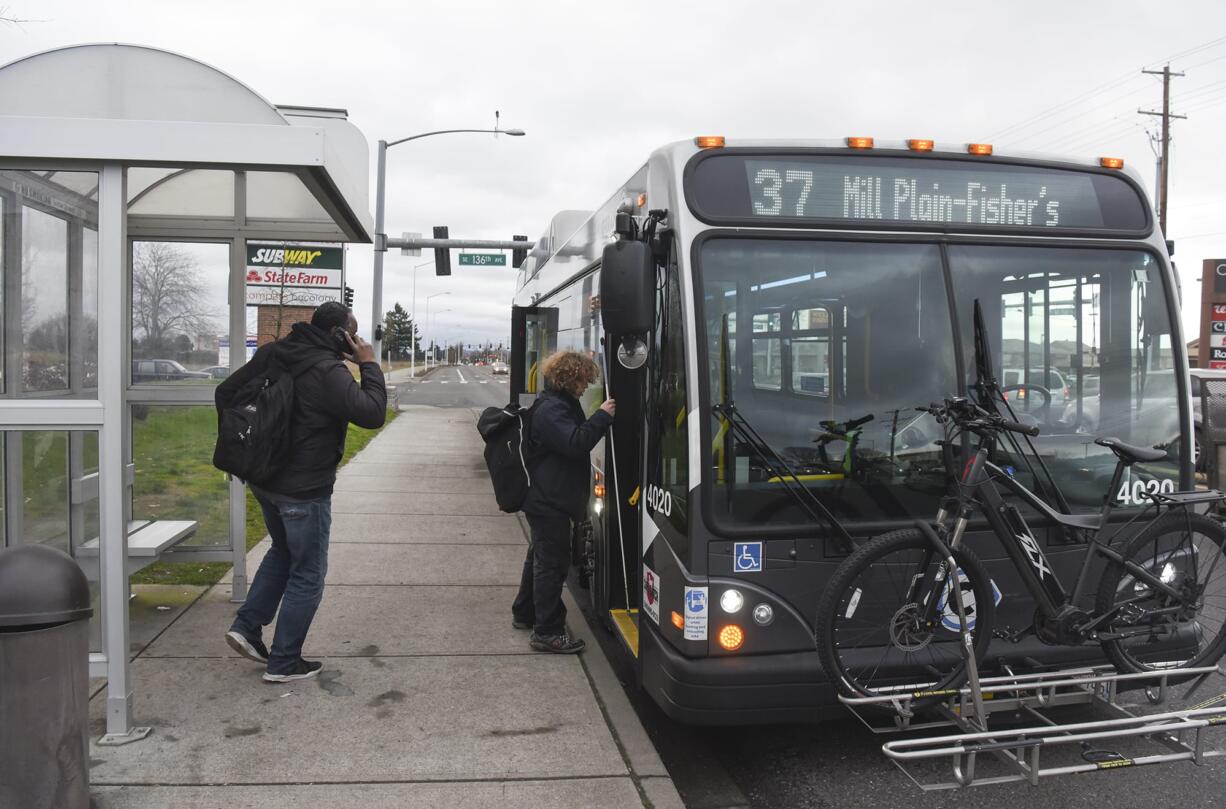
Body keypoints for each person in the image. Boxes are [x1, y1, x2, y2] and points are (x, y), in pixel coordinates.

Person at [221, 302, 386, 682]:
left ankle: (247, 627)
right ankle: (284, 662)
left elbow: (226, 393)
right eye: (354, 332)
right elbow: (372, 412)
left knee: (282, 552)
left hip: (267, 483)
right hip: (303, 490)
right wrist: (368, 364)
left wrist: (237, 456)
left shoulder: (274, 353)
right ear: (339, 335)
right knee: (308, 573)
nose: (357, 339)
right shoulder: (326, 370)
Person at [512, 350, 615, 654]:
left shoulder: (557, 404)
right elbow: (575, 443)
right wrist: (603, 416)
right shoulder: (552, 410)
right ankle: (548, 631)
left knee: (540, 558)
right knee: (551, 565)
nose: (586, 386)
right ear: (569, 378)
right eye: (583, 380)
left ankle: (525, 612)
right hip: (549, 501)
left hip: (548, 497)